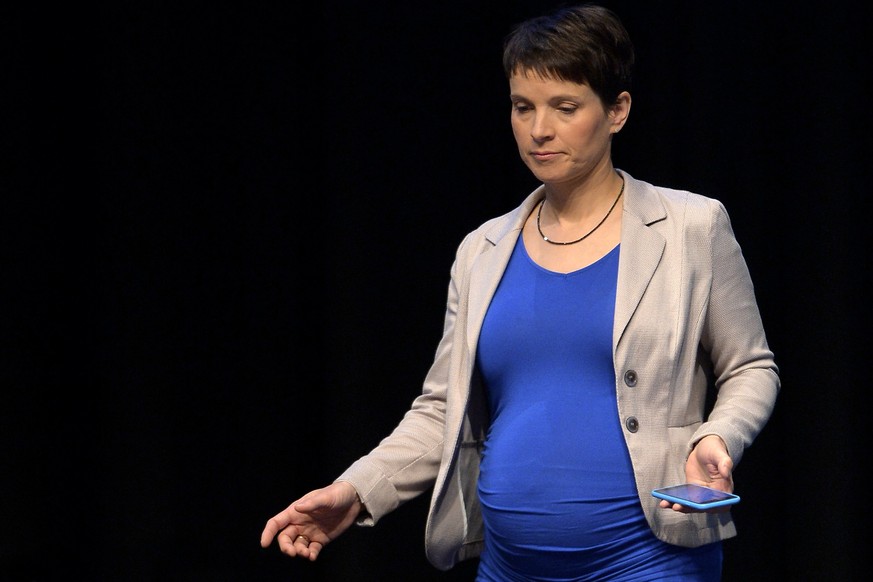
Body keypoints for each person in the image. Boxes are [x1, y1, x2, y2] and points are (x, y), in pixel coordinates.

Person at [260, 3, 780, 580]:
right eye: (522, 107)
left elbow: (751, 367)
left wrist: (719, 436)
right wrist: (355, 491)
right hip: (508, 565)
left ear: (617, 112)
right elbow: (441, 410)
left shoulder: (691, 228)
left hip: (649, 558)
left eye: (565, 107)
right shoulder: (482, 250)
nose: (539, 129)